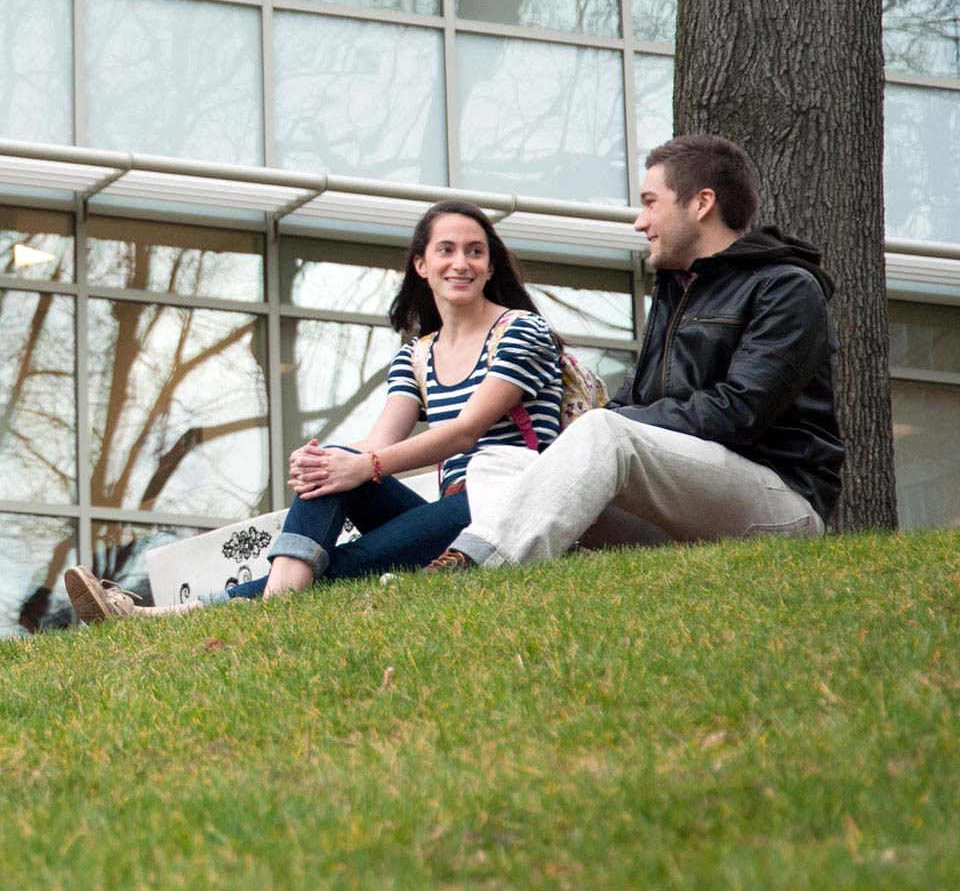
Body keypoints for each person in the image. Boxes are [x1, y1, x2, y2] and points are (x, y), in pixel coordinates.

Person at [65, 200, 564, 623]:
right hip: (451, 510)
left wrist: (363, 465)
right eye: (447, 250)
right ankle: (231, 609)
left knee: (353, 556)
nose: (462, 263)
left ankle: (184, 615)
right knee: (332, 470)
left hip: (508, 500)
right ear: (421, 265)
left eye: (475, 252)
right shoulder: (417, 353)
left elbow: (464, 432)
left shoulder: (521, 331)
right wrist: (327, 462)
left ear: (491, 266)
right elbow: (379, 442)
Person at [424, 134, 845, 572]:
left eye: (650, 202)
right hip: (684, 513)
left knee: (605, 429)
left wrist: (607, 425)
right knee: (500, 459)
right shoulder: (676, 291)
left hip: (780, 503)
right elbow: (633, 404)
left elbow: (738, 412)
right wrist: (596, 432)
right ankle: (539, 572)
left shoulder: (787, 287)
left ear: (701, 204)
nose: (640, 223)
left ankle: (479, 569)